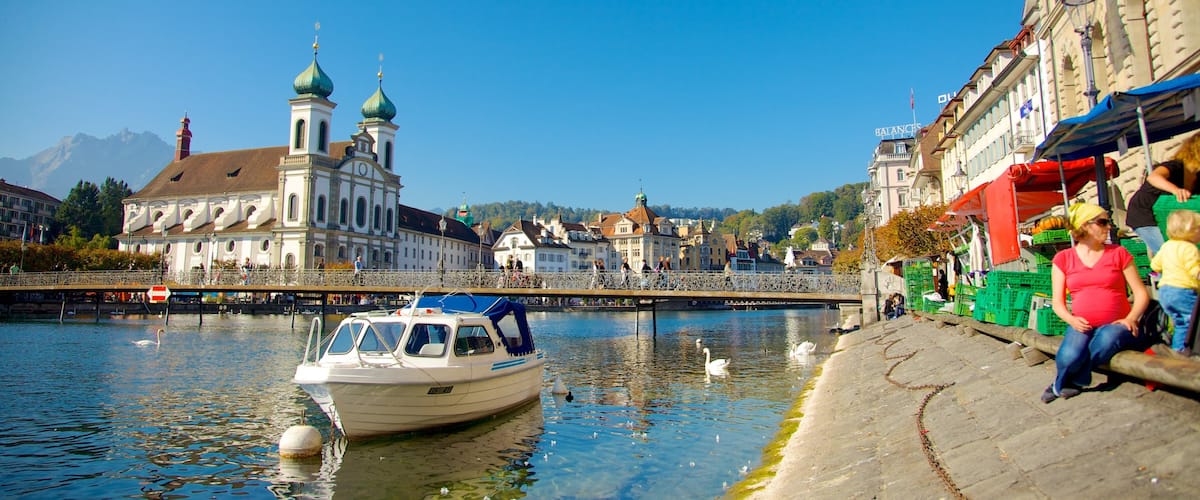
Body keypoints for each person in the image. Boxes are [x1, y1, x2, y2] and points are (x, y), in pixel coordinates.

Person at [1044, 202, 1150, 403]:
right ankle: (1067, 379)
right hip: (1082, 323)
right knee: (1068, 355)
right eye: (1102, 222)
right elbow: (1057, 302)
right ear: (1084, 226)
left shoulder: (1118, 253)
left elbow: (1141, 293)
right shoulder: (1063, 259)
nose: (1108, 227)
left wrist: (1131, 318)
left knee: (1107, 338)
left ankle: (1068, 381)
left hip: (1117, 324)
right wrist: (1071, 320)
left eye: (1108, 222)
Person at [1125, 131, 1200, 257]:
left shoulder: (1197, 176)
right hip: (1144, 215)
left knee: (1181, 252)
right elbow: (1153, 177)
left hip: (1166, 217)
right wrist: (1176, 190)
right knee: (1168, 253)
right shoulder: (1175, 166)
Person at [1150, 209, 1200, 353]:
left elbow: (1155, 265)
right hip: (1183, 291)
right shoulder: (1189, 249)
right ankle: (1187, 352)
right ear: (1189, 230)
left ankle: (1177, 350)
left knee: (1181, 323)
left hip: (1165, 292)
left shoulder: (1167, 246)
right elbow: (1195, 270)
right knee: (1192, 322)